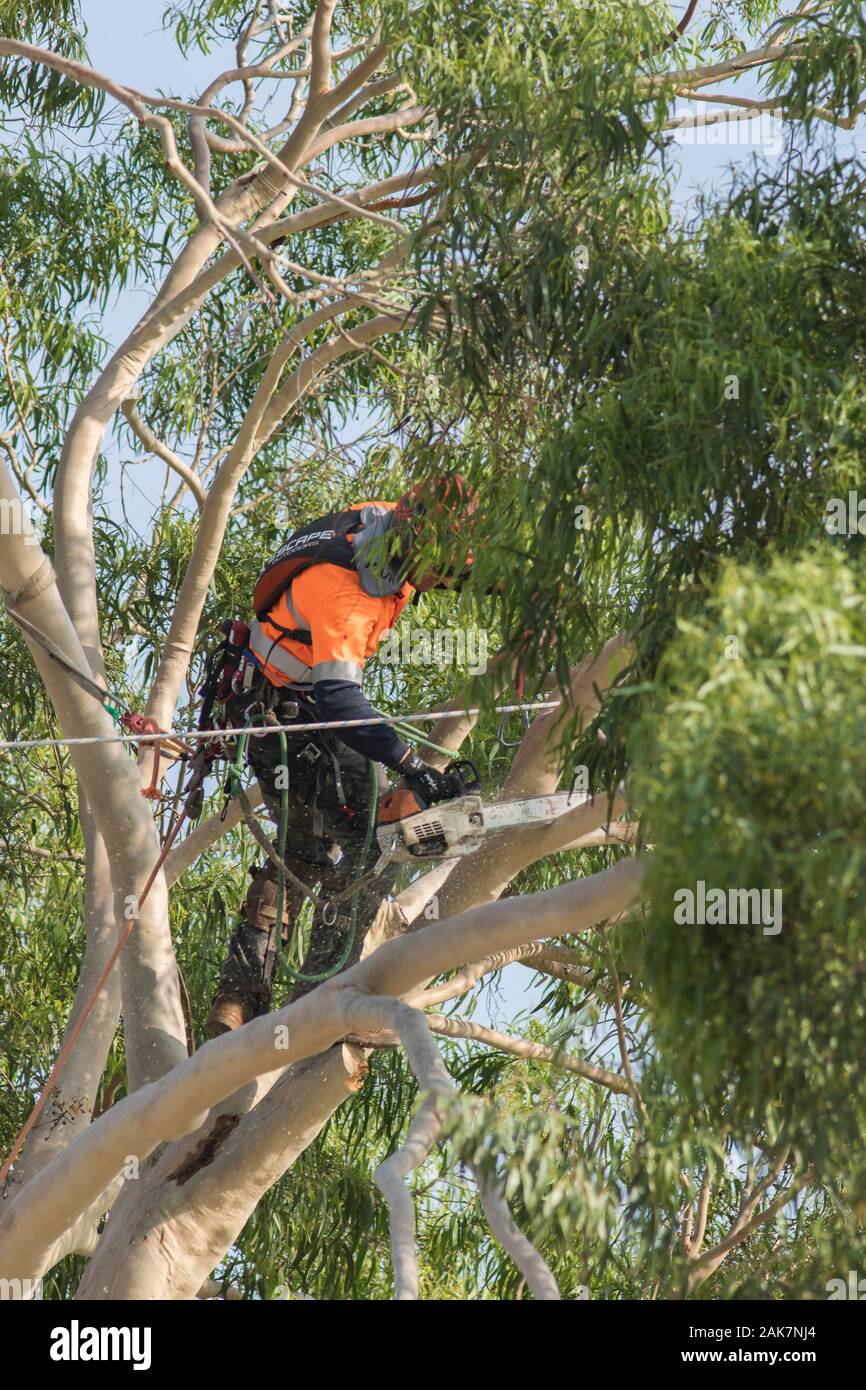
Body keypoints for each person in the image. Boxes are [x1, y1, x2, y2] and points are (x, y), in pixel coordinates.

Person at [206, 476, 477, 1035]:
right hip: (294, 717)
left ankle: (238, 1000)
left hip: (281, 703)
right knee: (361, 840)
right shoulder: (349, 594)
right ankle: (322, 993)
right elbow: (341, 699)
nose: (443, 584)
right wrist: (411, 764)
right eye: (442, 571)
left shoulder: (378, 522)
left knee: (301, 847)